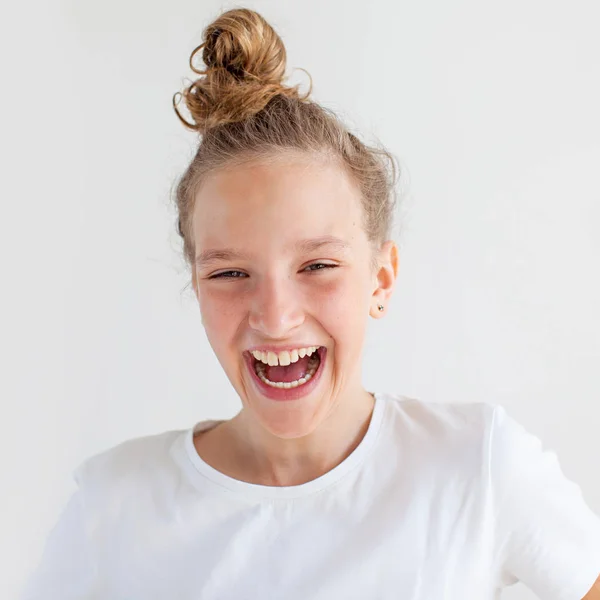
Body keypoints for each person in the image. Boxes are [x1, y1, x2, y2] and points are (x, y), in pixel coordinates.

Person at [20, 7, 600, 600]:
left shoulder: (476, 465)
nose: (274, 317)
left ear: (381, 278)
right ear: (196, 286)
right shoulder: (114, 506)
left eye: (317, 266)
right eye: (229, 272)